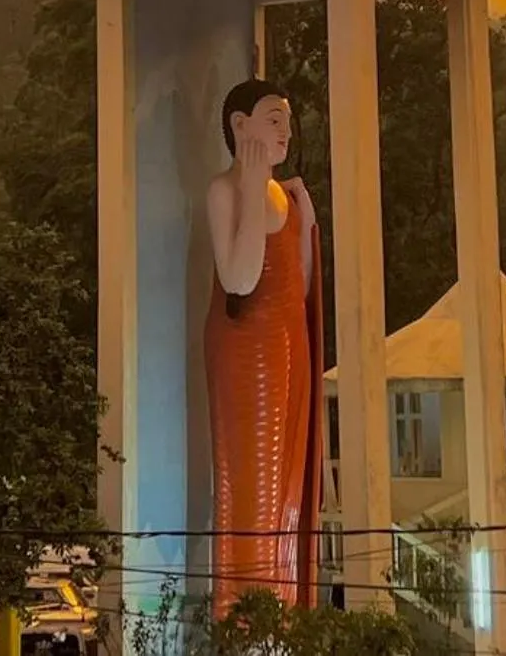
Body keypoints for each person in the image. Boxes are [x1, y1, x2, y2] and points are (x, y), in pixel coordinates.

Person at [204, 79, 324, 620]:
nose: (284, 130)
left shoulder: (284, 192)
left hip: (288, 348)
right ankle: (246, 617)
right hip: (246, 354)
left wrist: (305, 215)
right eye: (272, 118)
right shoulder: (225, 191)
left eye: (287, 121)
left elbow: (298, 286)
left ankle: (284, 609)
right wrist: (254, 191)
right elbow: (240, 278)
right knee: (252, 483)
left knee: (288, 486)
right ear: (239, 126)